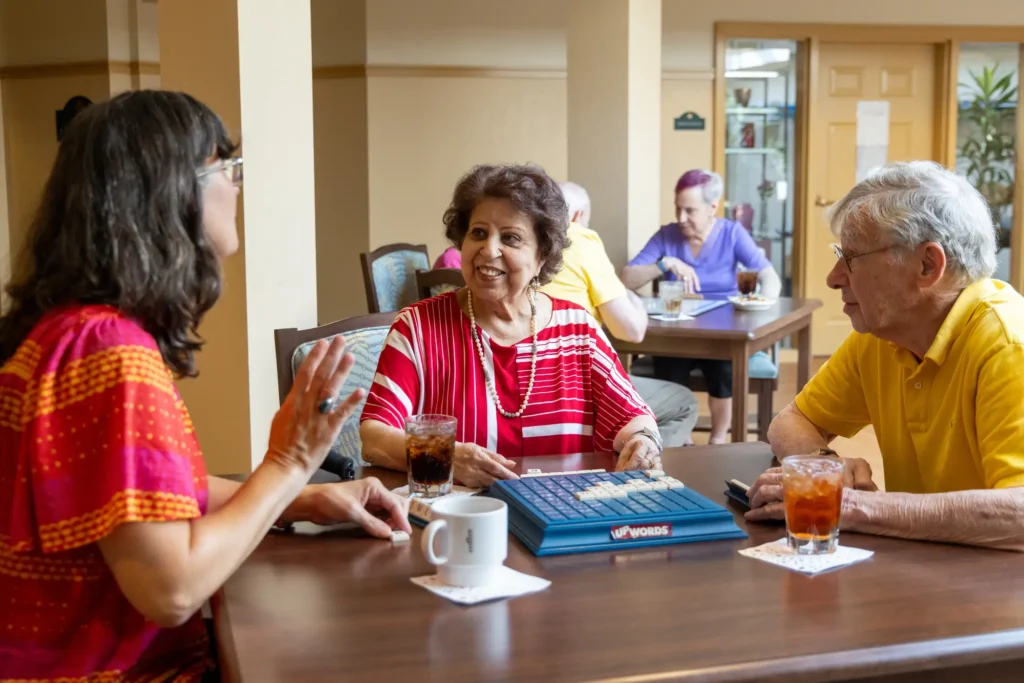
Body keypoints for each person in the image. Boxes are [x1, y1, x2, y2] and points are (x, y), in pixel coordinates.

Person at [0, 90, 411, 681]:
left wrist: (304, 500)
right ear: (169, 190)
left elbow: (146, 504)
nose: (237, 184)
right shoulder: (109, 352)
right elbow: (172, 589)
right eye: (225, 166)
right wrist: (290, 462)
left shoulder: (67, 330)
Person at [746, 161, 1024, 552]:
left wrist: (853, 505)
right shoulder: (884, 332)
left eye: (853, 257)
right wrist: (824, 466)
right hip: (926, 566)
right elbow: (793, 420)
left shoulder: (1009, 344)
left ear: (928, 265)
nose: (834, 277)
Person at [359, 164, 663, 487]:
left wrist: (643, 441)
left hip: (564, 518)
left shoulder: (576, 329)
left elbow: (635, 415)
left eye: (511, 238)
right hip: (459, 524)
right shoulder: (418, 328)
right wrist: (443, 455)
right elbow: (374, 438)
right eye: (478, 233)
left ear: (542, 257)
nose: (488, 250)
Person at [621, 169, 783, 443]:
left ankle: (718, 439)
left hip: (722, 334)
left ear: (712, 208)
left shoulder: (732, 234)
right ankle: (681, 439)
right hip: (679, 333)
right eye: (678, 208)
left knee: (722, 367)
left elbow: (770, 278)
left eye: (690, 211)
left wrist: (758, 311)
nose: (681, 218)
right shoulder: (667, 235)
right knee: (670, 365)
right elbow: (626, 279)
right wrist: (666, 263)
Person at [542, 181, 699, 447]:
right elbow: (632, 331)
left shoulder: (528, 242)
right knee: (683, 402)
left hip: (527, 376)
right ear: (578, 217)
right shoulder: (580, 238)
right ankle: (640, 473)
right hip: (570, 382)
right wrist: (633, 299)